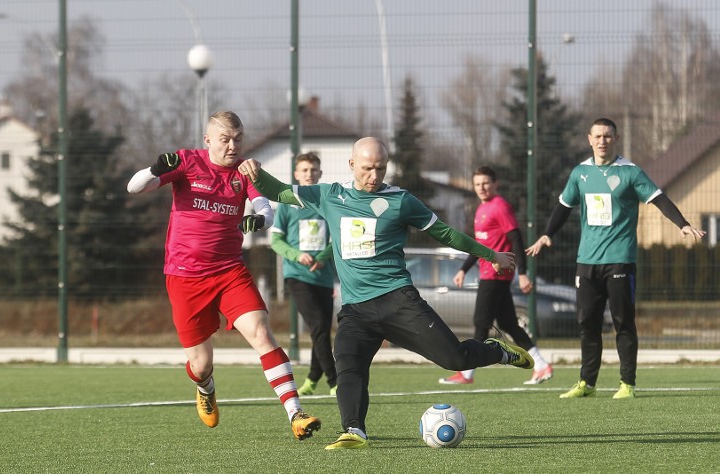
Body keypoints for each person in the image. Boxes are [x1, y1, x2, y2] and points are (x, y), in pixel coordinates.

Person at [238, 137, 534, 450]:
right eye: (367, 168)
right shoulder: (329, 195)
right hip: (355, 310)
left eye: (380, 168)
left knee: (455, 359)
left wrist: (492, 255)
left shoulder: (401, 200)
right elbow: (280, 191)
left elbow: (446, 233)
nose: (374, 176)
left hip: (398, 301)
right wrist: (255, 174)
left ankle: (497, 351)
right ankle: (354, 430)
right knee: (348, 365)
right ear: (352, 165)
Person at [126, 111, 321, 440]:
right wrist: (156, 168)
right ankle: (205, 388)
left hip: (230, 271)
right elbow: (134, 187)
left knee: (261, 332)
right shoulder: (187, 162)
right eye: (225, 139)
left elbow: (266, 209)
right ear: (208, 140)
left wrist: (258, 219)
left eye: (238, 139)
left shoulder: (245, 172)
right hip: (185, 276)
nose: (232, 146)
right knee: (200, 365)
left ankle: (295, 414)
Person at [526, 118, 706, 400]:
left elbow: (659, 198)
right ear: (589, 139)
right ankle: (587, 382)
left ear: (616, 138)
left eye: (608, 136)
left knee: (623, 322)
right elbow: (563, 206)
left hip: (620, 260)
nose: (602, 141)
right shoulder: (580, 173)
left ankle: (627, 384)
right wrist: (547, 234)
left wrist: (681, 223)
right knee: (588, 324)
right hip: (586, 261)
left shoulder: (630, 172)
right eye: (597, 136)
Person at [441, 166, 553, 385]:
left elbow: (517, 239)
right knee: (509, 324)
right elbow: (480, 245)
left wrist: (522, 273)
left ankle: (467, 373)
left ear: (495, 184)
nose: (481, 188)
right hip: (489, 275)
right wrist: (464, 269)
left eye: (485, 183)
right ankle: (541, 365)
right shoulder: (482, 209)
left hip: (496, 276)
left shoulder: (500, 207)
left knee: (481, 323)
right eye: (477, 184)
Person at [270, 152, 338, 397]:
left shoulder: (328, 203)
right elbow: (276, 241)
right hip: (297, 276)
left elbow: (339, 238)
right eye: (304, 170)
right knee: (318, 324)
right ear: (296, 175)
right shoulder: (287, 204)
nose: (309, 174)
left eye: (313, 169)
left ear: (320, 173)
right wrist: (297, 255)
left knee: (321, 330)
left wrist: (322, 257)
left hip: (323, 275)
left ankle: (311, 379)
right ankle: (335, 381)